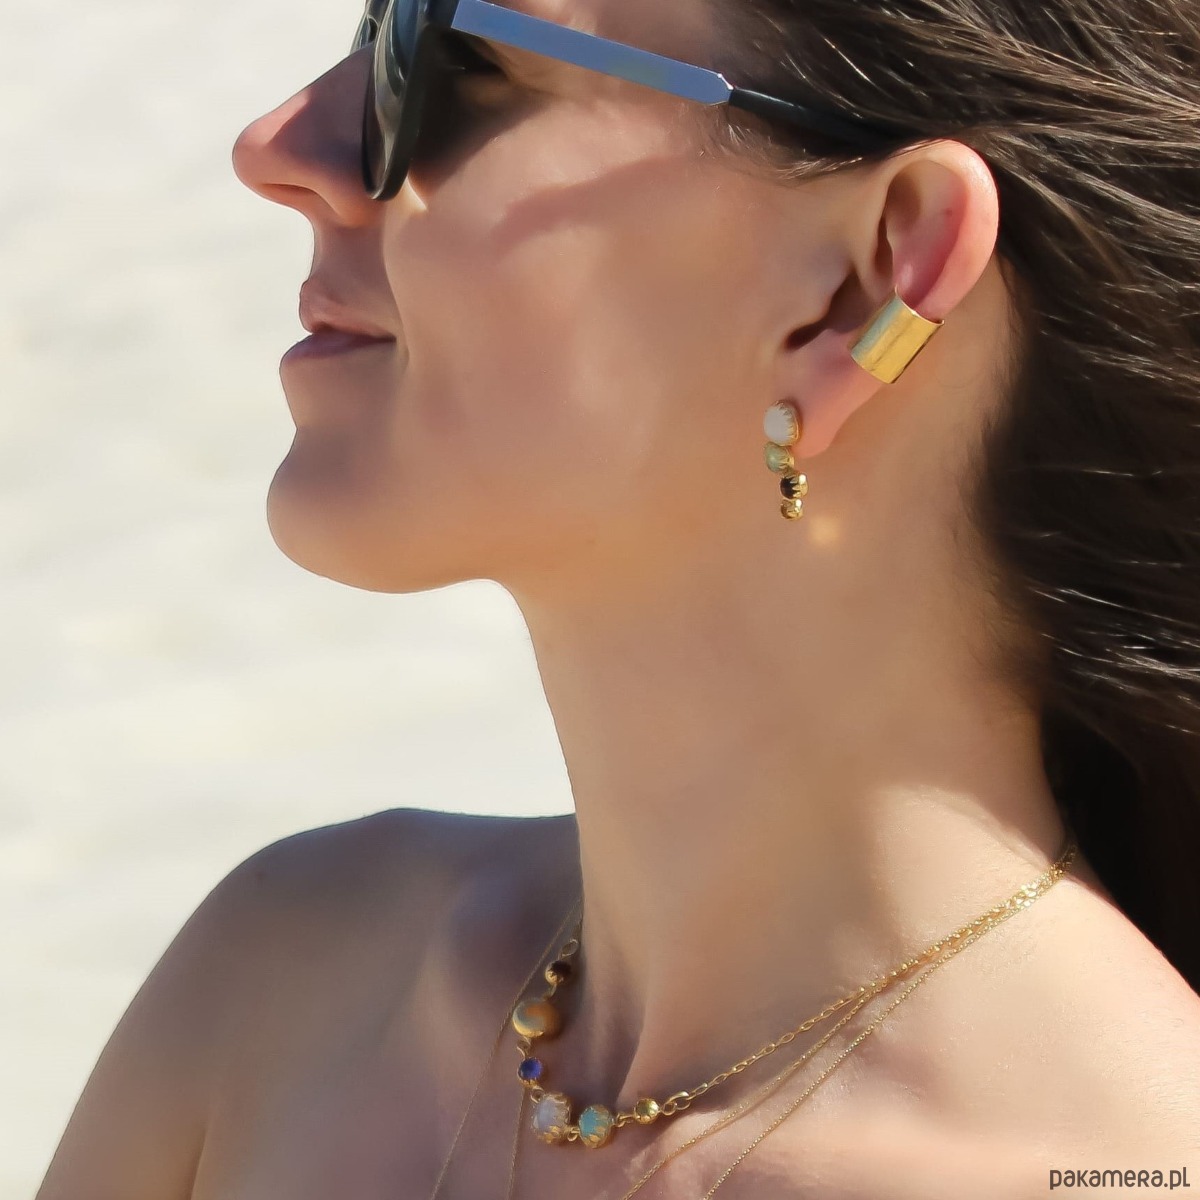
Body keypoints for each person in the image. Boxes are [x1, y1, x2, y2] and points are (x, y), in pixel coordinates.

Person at [37, 0, 1200, 1196]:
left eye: (458, 60)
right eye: (376, 24)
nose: (278, 145)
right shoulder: (282, 985)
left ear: (865, 288)